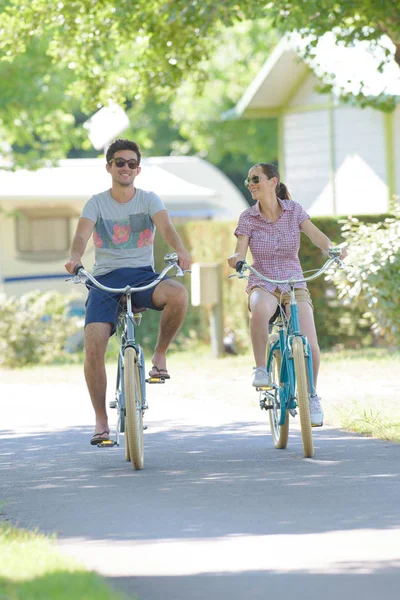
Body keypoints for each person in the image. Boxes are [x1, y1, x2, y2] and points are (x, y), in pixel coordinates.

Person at [65, 139, 191, 444]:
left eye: (131, 163)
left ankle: (159, 356)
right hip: (105, 280)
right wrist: (75, 258)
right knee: (93, 347)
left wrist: (181, 250)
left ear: (138, 169)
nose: (125, 168)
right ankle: (101, 421)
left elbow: (167, 228)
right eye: (119, 162)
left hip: (142, 277)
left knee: (177, 294)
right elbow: (82, 234)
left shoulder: (148, 199)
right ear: (109, 167)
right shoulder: (96, 202)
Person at [227, 163, 347, 426]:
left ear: (273, 181)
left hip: (294, 283)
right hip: (264, 281)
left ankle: (312, 396)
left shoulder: (293, 210)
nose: (251, 184)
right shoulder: (248, 217)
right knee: (259, 308)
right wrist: (235, 259)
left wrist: (333, 250)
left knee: (310, 343)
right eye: (248, 181)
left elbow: (317, 237)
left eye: (255, 179)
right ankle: (260, 369)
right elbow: (240, 249)